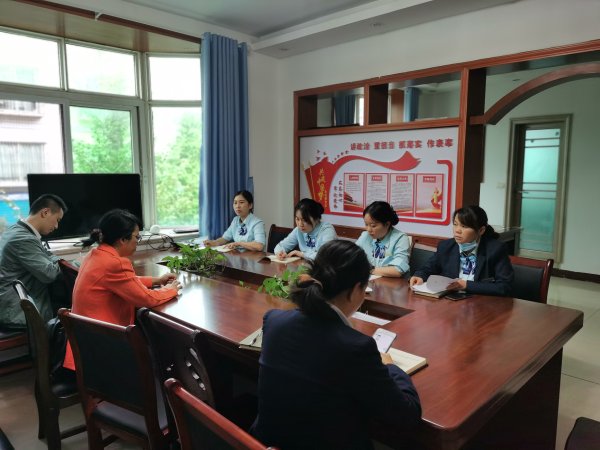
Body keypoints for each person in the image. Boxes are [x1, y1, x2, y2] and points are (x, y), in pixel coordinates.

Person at [252, 240, 421, 449]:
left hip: (266, 442)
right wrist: (390, 366)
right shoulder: (356, 347)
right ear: (356, 289)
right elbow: (406, 415)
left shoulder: (274, 320)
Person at [63, 209, 180, 370]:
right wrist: (171, 289)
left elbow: (122, 282)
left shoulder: (96, 254)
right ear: (123, 239)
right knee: (159, 348)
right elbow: (146, 299)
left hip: (85, 340)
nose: (137, 242)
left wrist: (156, 280)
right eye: (136, 237)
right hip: (103, 346)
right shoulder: (115, 263)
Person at [410, 205, 513, 296]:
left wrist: (466, 285)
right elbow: (428, 268)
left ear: (481, 230)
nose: (457, 230)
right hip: (450, 302)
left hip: (482, 304)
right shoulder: (446, 246)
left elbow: (504, 287)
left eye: (464, 226)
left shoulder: (495, 249)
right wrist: (419, 276)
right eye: (455, 224)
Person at [0, 194, 67, 328]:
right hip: (17, 312)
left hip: (9, 303)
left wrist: (54, 260)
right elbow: (49, 274)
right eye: (57, 220)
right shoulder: (24, 239)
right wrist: (67, 262)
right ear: (45, 212)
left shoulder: (15, 230)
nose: (56, 226)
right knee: (71, 313)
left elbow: (48, 255)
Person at [356, 201, 410, 277]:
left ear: (387, 224)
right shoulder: (365, 235)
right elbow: (352, 257)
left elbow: (398, 270)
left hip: (392, 282)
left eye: (373, 226)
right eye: (366, 224)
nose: (368, 229)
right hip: (371, 280)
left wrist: (369, 269)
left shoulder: (400, 238)